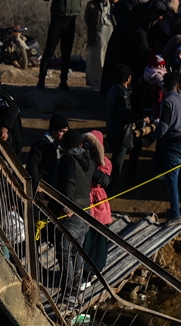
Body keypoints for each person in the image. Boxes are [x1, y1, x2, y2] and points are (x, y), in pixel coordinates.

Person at [145, 73, 181, 225]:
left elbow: (164, 127)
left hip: (175, 144)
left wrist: (151, 138)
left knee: (171, 180)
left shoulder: (167, 101)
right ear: (178, 86)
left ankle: (175, 215)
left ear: (164, 86)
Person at [55, 129, 96, 295]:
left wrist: (67, 205)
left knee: (64, 250)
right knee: (77, 250)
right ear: (80, 144)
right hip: (86, 210)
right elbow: (103, 178)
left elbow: (69, 181)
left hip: (72, 210)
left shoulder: (67, 159)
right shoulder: (88, 160)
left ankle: (68, 287)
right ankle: (76, 286)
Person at [105, 64, 149, 193]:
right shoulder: (121, 93)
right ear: (128, 78)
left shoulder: (113, 89)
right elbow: (126, 114)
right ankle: (109, 192)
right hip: (122, 134)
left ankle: (130, 177)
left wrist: (135, 87)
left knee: (133, 149)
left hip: (113, 131)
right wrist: (142, 117)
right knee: (117, 165)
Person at [79, 131, 112, 282]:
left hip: (98, 203)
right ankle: (83, 271)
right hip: (85, 201)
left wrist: (90, 165)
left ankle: (95, 270)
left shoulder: (105, 162)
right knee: (86, 239)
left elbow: (103, 180)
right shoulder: (80, 158)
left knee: (99, 240)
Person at [25, 114, 68, 194]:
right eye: (61, 131)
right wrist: (38, 185)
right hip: (40, 190)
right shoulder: (42, 143)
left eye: (66, 132)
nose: (64, 135)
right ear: (53, 131)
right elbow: (32, 164)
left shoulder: (57, 145)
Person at [0, 70, 23, 157]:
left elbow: (12, 108)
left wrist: (5, 128)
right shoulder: (6, 91)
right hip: (16, 140)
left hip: (7, 141)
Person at [84, 0, 114, 88]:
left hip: (110, 32)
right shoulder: (92, 4)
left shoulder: (114, 5)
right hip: (97, 33)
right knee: (96, 58)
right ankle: (95, 81)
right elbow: (87, 19)